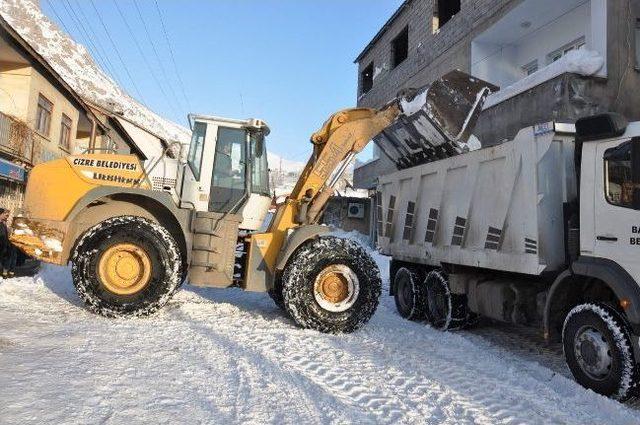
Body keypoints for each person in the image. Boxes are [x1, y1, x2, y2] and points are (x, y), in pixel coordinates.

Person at [0, 208, 17, 278]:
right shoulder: (2, 224)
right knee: (9, 252)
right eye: (4, 214)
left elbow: (5, 234)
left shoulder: (3, 223)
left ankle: (8, 271)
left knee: (12, 250)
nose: (6, 216)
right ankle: (6, 271)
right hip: (1, 244)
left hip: (4, 243)